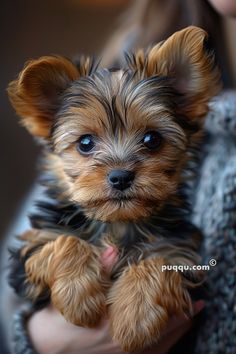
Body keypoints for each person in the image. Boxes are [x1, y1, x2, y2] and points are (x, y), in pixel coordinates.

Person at [4, 0, 236, 353]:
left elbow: (203, 268)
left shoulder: (177, 244)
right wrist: (38, 340)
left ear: (190, 104)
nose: (119, 169)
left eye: (150, 140)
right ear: (45, 122)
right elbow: (7, 306)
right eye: (85, 144)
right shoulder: (52, 232)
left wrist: (159, 277)